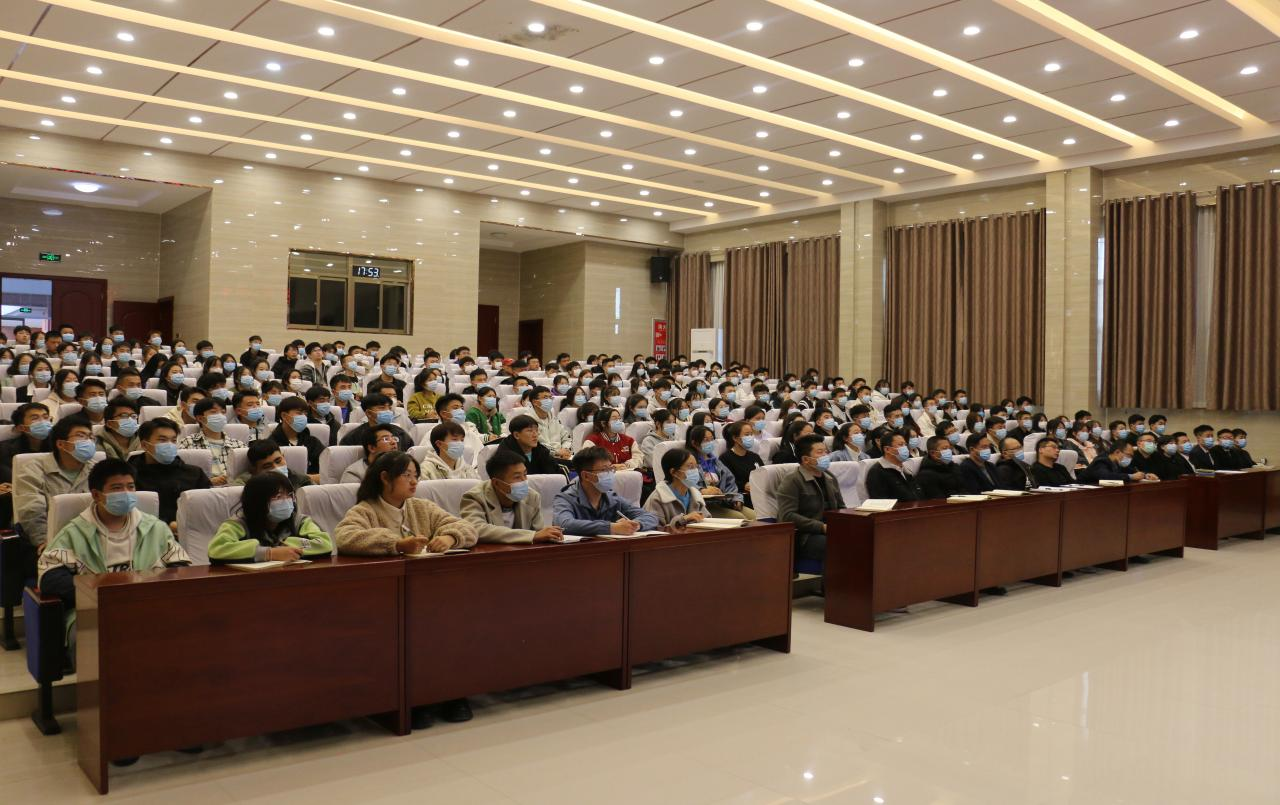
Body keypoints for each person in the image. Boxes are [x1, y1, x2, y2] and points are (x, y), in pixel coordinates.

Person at [334, 451, 476, 728]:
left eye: (416, 476)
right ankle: (416, 699)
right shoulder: (365, 510)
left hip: (428, 594)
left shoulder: (421, 507)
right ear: (385, 478)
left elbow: (466, 527)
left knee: (452, 627)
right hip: (384, 599)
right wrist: (396, 544)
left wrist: (449, 537)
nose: (414, 482)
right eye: (406, 475)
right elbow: (346, 537)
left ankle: (451, 693)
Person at [38, 459, 191, 654]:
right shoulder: (74, 533)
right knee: (91, 640)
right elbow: (50, 578)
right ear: (96, 495)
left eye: (131, 487)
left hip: (149, 606)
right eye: (117, 488)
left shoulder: (155, 528)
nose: (126, 493)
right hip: (95, 611)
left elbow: (181, 568)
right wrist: (104, 592)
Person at [209, 471, 332, 563]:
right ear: (258, 502)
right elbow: (217, 549)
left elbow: (324, 543)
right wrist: (269, 553)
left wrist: (286, 545)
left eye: (289, 495)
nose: (286, 501)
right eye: (278, 497)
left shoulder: (299, 521)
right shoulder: (239, 523)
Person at [15, 414, 99, 546]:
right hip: (50, 539)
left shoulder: (97, 469)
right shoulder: (33, 470)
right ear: (61, 444)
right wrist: (45, 541)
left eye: (91, 437)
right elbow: (32, 511)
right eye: (81, 436)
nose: (88, 441)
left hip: (92, 539)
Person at [459, 449, 564, 543]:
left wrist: (550, 535)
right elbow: (476, 529)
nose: (524, 481)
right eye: (517, 477)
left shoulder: (532, 496)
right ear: (496, 483)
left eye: (525, 475)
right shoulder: (474, 498)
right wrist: (531, 536)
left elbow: (539, 533)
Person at [552, 447, 659, 535]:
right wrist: (611, 527)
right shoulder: (565, 498)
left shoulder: (612, 498)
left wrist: (635, 525)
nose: (610, 474)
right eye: (604, 470)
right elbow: (563, 524)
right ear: (586, 476)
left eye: (611, 469)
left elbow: (651, 517)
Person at [775, 434, 845, 563]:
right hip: (804, 536)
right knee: (838, 545)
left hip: (830, 529)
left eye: (826, 452)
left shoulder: (829, 477)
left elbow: (841, 508)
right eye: (820, 452)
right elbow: (787, 516)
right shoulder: (792, 480)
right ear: (806, 459)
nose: (825, 456)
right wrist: (821, 527)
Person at [0, 403, 53, 528]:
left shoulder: (58, 449)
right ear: (21, 427)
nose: (42, 422)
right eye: (35, 418)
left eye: (45, 417)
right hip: (15, 504)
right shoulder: (3, 450)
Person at [178, 398, 246, 487]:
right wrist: (207, 482)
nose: (220, 416)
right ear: (200, 418)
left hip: (234, 489)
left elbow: (247, 472)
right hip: (203, 490)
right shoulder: (188, 442)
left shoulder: (239, 445)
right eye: (213, 412)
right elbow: (182, 474)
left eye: (223, 412)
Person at [643, 447, 711, 529]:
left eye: (696, 467)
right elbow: (654, 530)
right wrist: (682, 520)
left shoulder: (695, 496)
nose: (695, 471)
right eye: (690, 467)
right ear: (673, 472)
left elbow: (707, 521)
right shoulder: (657, 499)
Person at [269, 397, 325, 477]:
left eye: (305, 414)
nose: (304, 417)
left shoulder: (312, 442)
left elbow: (325, 467)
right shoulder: (271, 444)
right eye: (299, 413)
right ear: (284, 416)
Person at [340, 393, 413, 452]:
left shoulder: (401, 433)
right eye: (382, 408)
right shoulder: (353, 437)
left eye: (389, 408)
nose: (388, 411)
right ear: (368, 413)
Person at [496, 415, 564, 476]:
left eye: (536, 430)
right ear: (516, 435)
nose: (535, 435)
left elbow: (555, 473)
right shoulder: (505, 455)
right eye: (530, 430)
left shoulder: (540, 450)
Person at [231, 439, 313, 489]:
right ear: (255, 471)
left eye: (278, 461)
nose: (276, 468)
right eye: (267, 466)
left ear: (283, 457)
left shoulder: (302, 481)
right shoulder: (242, 485)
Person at [865, 432, 924, 500]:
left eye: (905, 445)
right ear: (887, 449)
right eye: (901, 445)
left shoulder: (905, 469)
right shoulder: (876, 472)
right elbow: (880, 501)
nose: (905, 448)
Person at [719, 420, 763, 509]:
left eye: (751, 434)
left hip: (759, 496)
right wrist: (743, 486)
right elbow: (727, 482)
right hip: (741, 499)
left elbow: (764, 474)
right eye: (747, 435)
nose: (750, 437)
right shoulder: (725, 458)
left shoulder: (755, 456)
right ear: (735, 438)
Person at [526, 385, 572, 461]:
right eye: (545, 398)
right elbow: (536, 444)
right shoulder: (527, 421)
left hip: (562, 456)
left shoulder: (554, 419)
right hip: (541, 459)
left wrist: (565, 450)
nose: (549, 400)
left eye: (550, 397)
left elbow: (566, 437)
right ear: (535, 402)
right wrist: (556, 452)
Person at [1081, 440, 1155, 483]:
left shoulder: (1118, 462)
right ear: (1117, 452)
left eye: (1132, 456)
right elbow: (1106, 477)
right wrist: (1131, 477)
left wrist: (1145, 475)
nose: (1130, 459)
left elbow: (1132, 471)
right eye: (1129, 455)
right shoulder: (1101, 461)